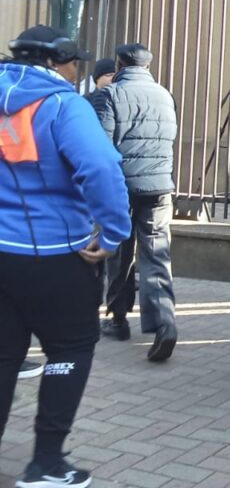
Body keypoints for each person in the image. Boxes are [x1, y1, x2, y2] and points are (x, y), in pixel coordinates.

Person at [0, 25, 132, 488]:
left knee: (3, 356)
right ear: (62, 61)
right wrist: (114, 233)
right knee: (69, 350)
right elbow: (99, 166)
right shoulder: (62, 104)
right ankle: (47, 463)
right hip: (57, 255)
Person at [93, 43, 179, 362]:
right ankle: (165, 323)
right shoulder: (164, 94)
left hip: (122, 185)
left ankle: (117, 319)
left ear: (120, 64)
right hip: (159, 185)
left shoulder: (111, 94)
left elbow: (101, 149)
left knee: (119, 250)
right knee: (157, 254)